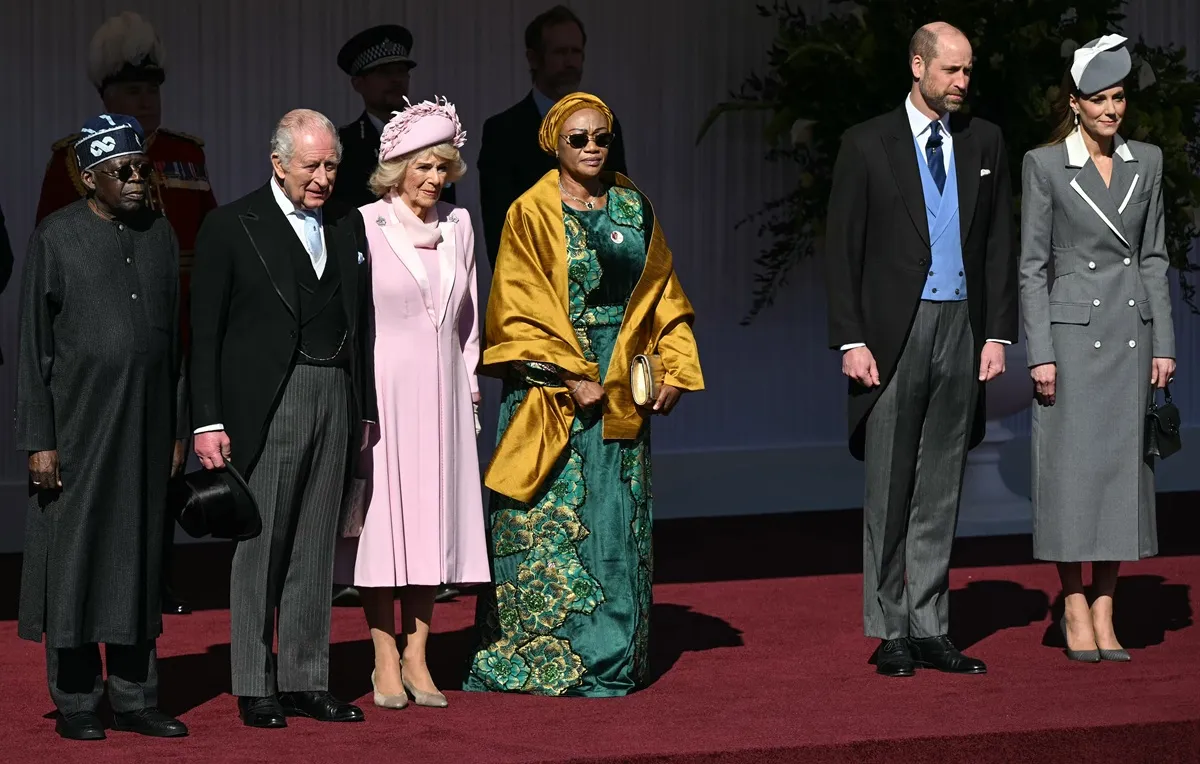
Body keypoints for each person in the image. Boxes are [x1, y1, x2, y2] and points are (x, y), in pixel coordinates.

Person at [464, 93, 704, 697]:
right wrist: (572, 375)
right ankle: (533, 660)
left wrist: (675, 367)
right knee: (541, 522)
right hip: (552, 388)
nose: (593, 146)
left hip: (623, 385)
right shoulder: (530, 211)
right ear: (554, 143)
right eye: (579, 138)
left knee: (616, 522)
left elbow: (664, 296)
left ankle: (613, 660)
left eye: (602, 136)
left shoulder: (634, 206)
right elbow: (517, 309)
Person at [823, 22, 1017, 678]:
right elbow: (841, 247)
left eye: (968, 72)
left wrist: (996, 334)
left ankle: (930, 624)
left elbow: (996, 244)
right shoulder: (867, 144)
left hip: (961, 327)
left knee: (941, 482)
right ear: (917, 65)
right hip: (890, 333)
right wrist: (850, 338)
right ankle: (889, 627)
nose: (962, 83)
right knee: (888, 483)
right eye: (951, 71)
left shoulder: (984, 140)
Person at [190, 109, 376, 728]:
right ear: (278, 164)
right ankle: (254, 682)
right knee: (260, 544)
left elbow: (363, 323)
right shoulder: (229, 226)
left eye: (331, 165)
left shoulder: (348, 225)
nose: (323, 178)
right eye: (311, 166)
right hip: (266, 400)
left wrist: (364, 408)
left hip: (334, 393)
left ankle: (305, 677)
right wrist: (207, 421)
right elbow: (205, 335)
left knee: (316, 543)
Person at [34, 10, 218, 616]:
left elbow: (209, 243)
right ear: (106, 95)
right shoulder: (70, 162)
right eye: (133, 89)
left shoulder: (187, 154)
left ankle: (156, 574)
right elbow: (55, 261)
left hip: (177, 327)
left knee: (165, 458)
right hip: (104, 340)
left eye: (153, 89)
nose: (147, 99)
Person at [15, 114, 189, 740]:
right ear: (91, 179)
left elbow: (175, 348)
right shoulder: (55, 238)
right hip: (79, 432)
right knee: (76, 563)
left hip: (146, 432)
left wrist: (176, 429)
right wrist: (40, 441)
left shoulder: (162, 235)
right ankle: (78, 702)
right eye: (122, 169)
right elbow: (34, 347)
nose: (138, 177)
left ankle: (136, 697)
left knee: (139, 560)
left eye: (142, 166)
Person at [1019, 35, 1176, 663]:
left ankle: (1107, 607)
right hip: (1072, 341)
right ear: (1076, 103)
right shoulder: (1045, 164)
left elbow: (1156, 257)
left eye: (1119, 97)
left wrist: (1165, 343)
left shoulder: (1150, 162)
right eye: (1100, 98)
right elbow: (1032, 267)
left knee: (1121, 476)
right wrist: (1040, 353)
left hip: (1132, 335)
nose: (1112, 109)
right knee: (1069, 474)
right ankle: (1073, 603)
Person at [334, 97, 490, 709]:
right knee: (381, 529)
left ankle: (419, 656)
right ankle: (381, 656)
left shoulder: (460, 224)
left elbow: (469, 320)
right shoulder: (363, 224)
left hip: (445, 388)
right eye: (421, 166)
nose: (432, 179)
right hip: (385, 388)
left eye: (442, 167)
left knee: (431, 523)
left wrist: (470, 389)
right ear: (395, 167)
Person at [478, 4, 628, 268]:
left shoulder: (606, 122)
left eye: (576, 52)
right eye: (560, 52)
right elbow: (499, 227)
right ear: (534, 58)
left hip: (599, 283)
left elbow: (622, 207)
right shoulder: (502, 131)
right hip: (534, 282)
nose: (570, 61)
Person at [332, 25, 456, 211]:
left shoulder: (431, 137)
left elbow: (446, 207)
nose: (396, 80)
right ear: (358, 84)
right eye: (384, 72)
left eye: (400, 71)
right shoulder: (344, 144)